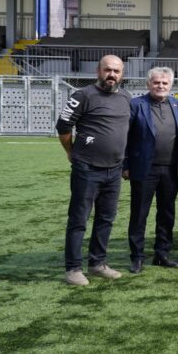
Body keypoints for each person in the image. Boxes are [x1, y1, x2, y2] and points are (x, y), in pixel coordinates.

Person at [57, 55, 131, 286]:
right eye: (108, 70)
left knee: (106, 219)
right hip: (87, 169)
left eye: (116, 71)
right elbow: (63, 126)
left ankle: (98, 264)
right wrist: (72, 152)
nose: (112, 75)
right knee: (79, 219)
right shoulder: (83, 95)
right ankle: (73, 269)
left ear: (122, 74)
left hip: (114, 170)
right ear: (98, 71)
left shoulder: (126, 98)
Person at [123, 67, 178, 273]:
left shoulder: (177, 104)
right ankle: (137, 256)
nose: (160, 86)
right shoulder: (136, 104)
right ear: (148, 84)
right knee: (139, 213)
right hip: (143, 169)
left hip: (170, 169)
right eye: (156, 82)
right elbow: (125, 137)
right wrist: (126, 165)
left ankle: (162, 253)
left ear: (171, 85)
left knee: (167, 213)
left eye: (165, 83)